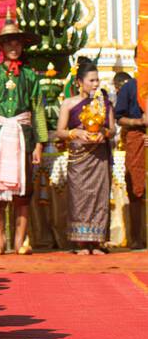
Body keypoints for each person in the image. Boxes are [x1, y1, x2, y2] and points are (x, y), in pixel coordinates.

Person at [0, 16, 47, 255]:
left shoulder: (30, 77)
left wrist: (38, 144)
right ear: (1, 47)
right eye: (9, 43)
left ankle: (20, 240)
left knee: (24, 191)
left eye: (17, 43)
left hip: (22, 139)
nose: (13, 48)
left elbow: (37, 109)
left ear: (22, 46)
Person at [56, 59, 115, 255]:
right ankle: (81, 242)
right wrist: (76, 133)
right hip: (79, 158)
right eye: (91, 80)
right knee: (79, 198)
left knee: (99, 197)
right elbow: (60, 132)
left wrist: (104, 133)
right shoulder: (69, 103)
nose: (96, 84)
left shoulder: (104, 103)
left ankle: (97, 241)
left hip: (99, 157)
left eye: (97, 80)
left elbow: (113, 130)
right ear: (79, 82)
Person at [113, 71, 145, 249]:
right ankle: (137, 237)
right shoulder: (129, 87)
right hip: (136, 136)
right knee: (136, 186)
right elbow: (120, 118)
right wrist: (139, 122)